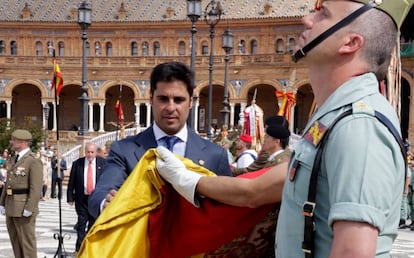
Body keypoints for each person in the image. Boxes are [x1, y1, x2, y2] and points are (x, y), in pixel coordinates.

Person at [155, 0, 411, 257]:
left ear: (350, 43)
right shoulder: (332, 119)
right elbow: (254, 191)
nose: (307, 19)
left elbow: (353, 252)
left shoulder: (358, 126)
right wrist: (187, 178)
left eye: (323, 14)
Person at [88, 61, 232, 218]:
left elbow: (227, 210)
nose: (170, 108)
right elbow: (101, 191)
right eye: (163, 99)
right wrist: (105, 203)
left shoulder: (215, 155)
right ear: (151, 99)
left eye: (178, 100)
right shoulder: (124, 150)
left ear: (191, 102)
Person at [0, 129, 43, 258]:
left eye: (14, 140)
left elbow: (36, 187)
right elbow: (8, 183)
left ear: (22, 142)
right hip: (11, 205)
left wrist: (30, 207)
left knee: (27, 243)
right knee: (15, 241)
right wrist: (2, 202)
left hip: (23, 206)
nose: (11, 142)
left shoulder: (32, 160)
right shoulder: (15, 159)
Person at [67, 142, 106, 252]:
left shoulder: (103, 163)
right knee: (81, 224)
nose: (90, 154)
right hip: (81, 199)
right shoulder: (77, 163)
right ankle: (79, 248)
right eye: (88, 152)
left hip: (96, 199)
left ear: (95, 152)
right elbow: (71, 182)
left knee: (93, 224)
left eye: (92, 152)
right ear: (85, 152)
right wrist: (70, 197)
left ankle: (90, 247)